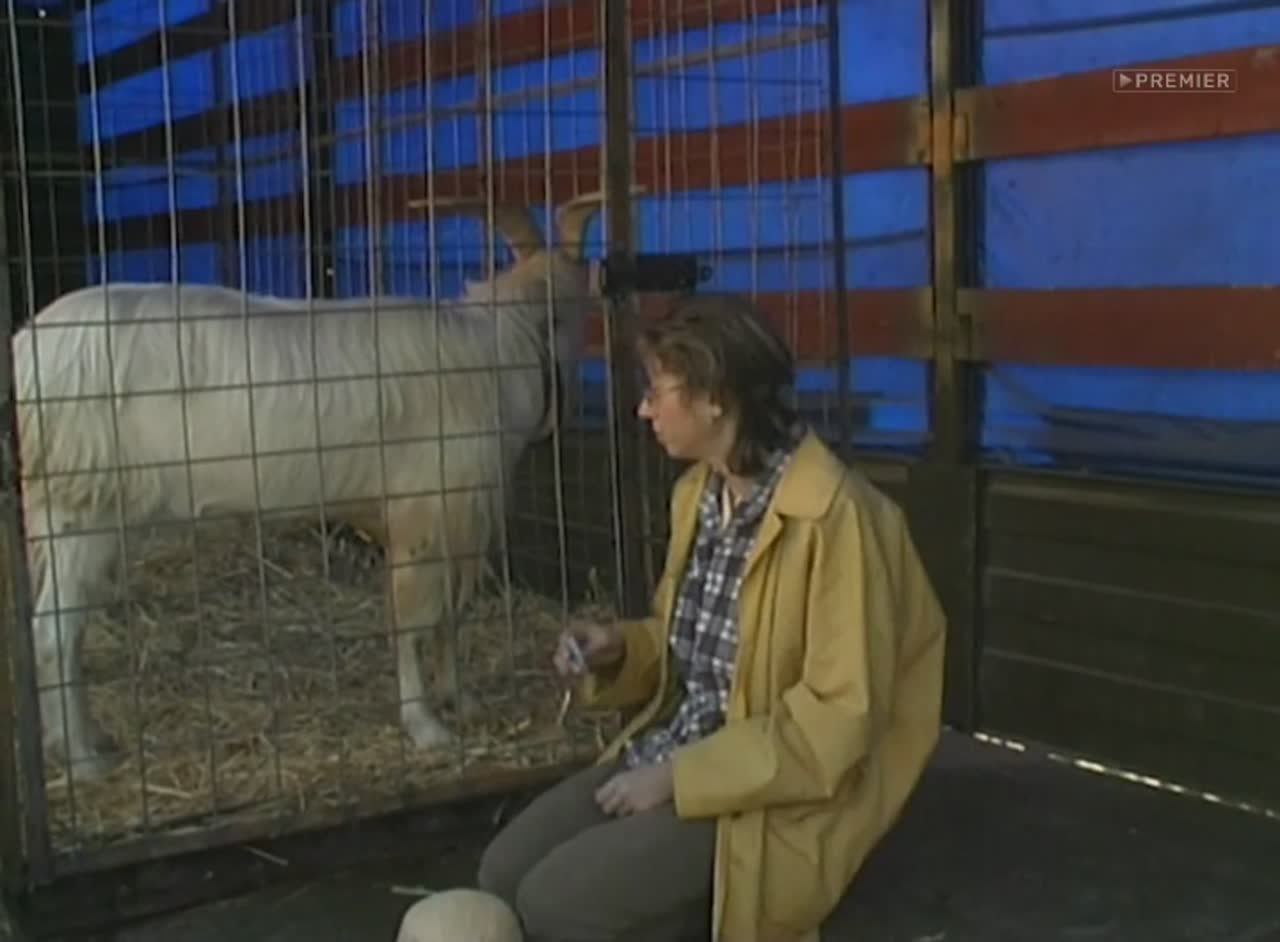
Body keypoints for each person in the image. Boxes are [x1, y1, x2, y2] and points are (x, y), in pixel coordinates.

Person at [476, 293, 947, 942]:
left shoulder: (839, 521)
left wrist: (680, 779)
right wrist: (620, 648)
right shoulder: (697, 494)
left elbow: (839, 720)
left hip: (766, 794)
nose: (643, 409)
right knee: (501, 873)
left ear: (716, 399)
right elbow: (691, 647)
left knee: (554, 905)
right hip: (677, 744)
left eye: (656, 392)